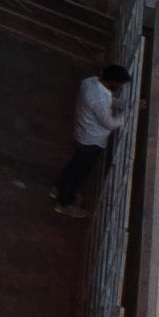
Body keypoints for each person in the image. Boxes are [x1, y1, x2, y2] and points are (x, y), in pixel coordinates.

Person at [54, 61, 130, 213]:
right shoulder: (100, 98)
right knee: (79, 174)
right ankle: (63, 204)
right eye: (120, 84)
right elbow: (109, 123)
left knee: (74, 165)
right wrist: (125, 115)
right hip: (92, 140)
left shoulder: (89, 82)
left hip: (83, 133)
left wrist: (119, 104)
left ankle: (57, 189)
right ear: (113, 82)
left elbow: (104, 100)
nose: (120, 88)